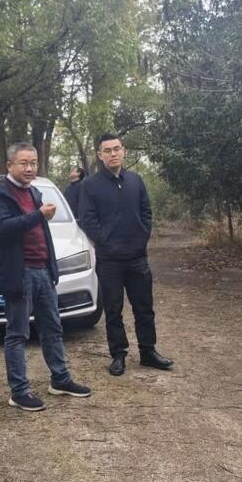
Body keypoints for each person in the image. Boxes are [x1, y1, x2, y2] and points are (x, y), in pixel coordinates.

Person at [0, 142, 92, 411]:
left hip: (43, 270)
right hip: (19, 273)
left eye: (33, 163)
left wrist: (51, 268)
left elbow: (41, 233)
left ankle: (60, 379)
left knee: (53, 328)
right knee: (18, 333)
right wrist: (38, 215)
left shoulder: (34, 192)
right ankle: (19, 392)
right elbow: (2, 228)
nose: (30, 168)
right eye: (24, 163)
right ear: (10, 165)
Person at [78, 133, 173, 376]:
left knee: (144, 307)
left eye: (117, 149)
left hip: (137, 258)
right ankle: (118, 355)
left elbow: (146, 212)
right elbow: (88, 220)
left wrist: (141, 237)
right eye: (107, 150)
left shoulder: (135, 181)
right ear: (100, 155)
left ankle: (148, 352)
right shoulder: (90, 185)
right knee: (113, 310)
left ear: (124, 151)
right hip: (109, 260)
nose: (113, 154)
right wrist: (106, 241)